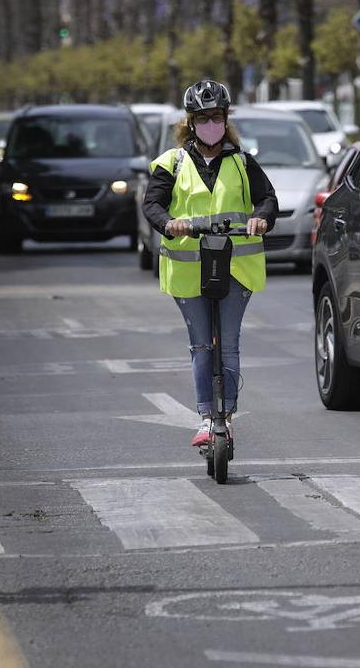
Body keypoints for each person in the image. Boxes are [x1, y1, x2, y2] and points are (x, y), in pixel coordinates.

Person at [143, 80, 279, 447]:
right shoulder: (171, 163)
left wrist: (260, 218)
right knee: (202, 345)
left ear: (225, 119)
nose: (210, 124)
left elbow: (268, 199)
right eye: (202, 118)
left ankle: (227, 417)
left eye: (216, 117)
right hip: (188, 270)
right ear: (190, 122)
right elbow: (152, 204)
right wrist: (169, 224)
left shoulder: (241, 162)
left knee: (229, 344)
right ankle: (207, 417)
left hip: (236, 266)